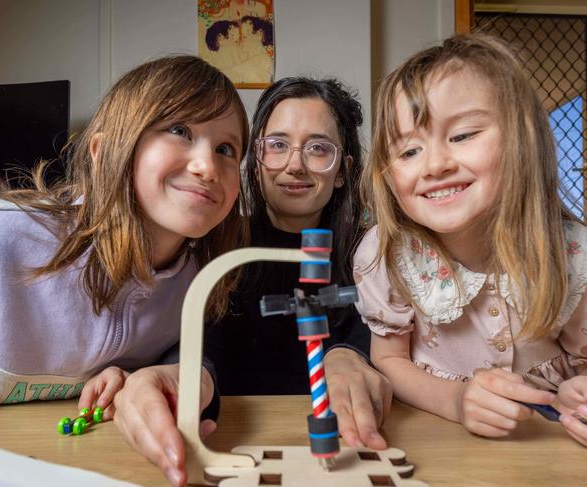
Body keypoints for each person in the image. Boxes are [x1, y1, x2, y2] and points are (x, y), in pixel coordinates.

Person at [0, 55, 249, 443]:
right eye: (179, 129)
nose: (207, 165)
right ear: (103, 152)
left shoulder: (199, 279)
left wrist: (134, 376)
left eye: (226, 149)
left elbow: (183, 348)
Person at [113, 77, 393, 487]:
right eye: (277, 145)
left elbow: (396, 342)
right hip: (235, 450)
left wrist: (352, 355)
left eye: (318, 149)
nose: (294, 165)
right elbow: (203, 348)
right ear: (255, 160)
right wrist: (185, 377)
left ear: (341, 172)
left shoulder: (371, 255)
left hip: (342, 458)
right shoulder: (212, 248)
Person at [354, 33, 587, 446]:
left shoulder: (574, 256)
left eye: (462, 136)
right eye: (408, 152)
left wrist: (577, 395)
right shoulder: (388, 256)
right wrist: (458, 400)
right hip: (439, 447)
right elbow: (388, 359)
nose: (435, 165)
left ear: (524, 140)